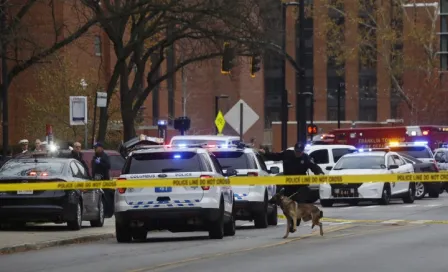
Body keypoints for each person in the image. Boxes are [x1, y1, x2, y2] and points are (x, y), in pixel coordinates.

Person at [259, 142, 324, 202]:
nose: (298, 153)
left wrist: (320, 173)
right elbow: (276, 156)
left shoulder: (306, 158)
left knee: (301, 203)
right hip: (288, 184)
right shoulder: (287, 154)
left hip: (300, 185)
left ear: (302, 151)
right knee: (288, 204)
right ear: (294, 149)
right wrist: (265, 153)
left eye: (300, 152)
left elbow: (314, 167)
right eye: (297, 151)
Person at [91, 142, 113, 215]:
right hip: (96, 179)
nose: (95, 149)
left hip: (104, 179)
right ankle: (99, 211)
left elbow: (108, 166)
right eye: (94, 148)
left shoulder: (105, 156)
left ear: (100, 148)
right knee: (97, 196)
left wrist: (100, 163)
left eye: (96, 148)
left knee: (105, 196)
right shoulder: (95, 156)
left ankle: (107, 211)